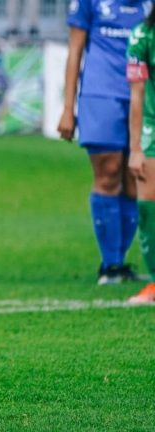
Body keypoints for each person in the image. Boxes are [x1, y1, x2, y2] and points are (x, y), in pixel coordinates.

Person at [58, 0, 149, 285]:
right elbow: (75, 50)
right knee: (108, 174)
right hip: (101, 94)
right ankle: (111, 265)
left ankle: (119, 263)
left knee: (136, 179)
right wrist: (67, 107)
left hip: (143, 96)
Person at [125, 12, 155, 303]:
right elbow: (137, 92)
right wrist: (135, 148)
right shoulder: (142, 35)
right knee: (148, 208)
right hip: (153, 131)